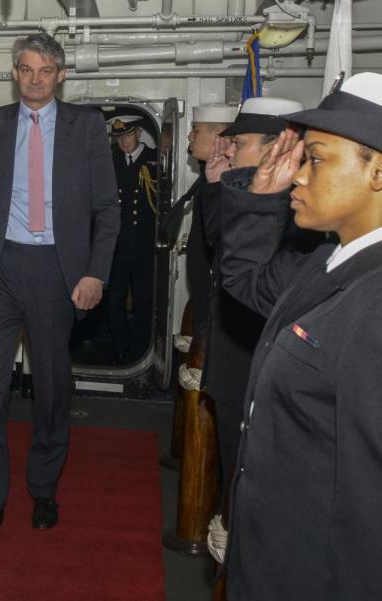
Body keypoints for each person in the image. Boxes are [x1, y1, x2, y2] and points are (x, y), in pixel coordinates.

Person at [215, 72, 382, 600]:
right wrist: (261, 197)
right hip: (272, 557)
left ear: (377, 171)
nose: (299, 177)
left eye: (317, 158)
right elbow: (244, 281)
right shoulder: (330, 261)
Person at [0, 33, 120, 545]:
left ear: (62, 75)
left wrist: (94, 273)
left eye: (45, 70)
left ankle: (44, 488)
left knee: (51, 390)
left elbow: (107, 211)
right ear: (14, 73)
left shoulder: (87, 127)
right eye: (26, 69)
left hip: (57, 272)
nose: (34, 79)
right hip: (1, 268)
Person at [198, 96, 320, 488]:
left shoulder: (299, 208)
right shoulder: (249, 194)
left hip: (253, 361)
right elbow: (221, 247)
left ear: (276, 147)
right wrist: (218, 188)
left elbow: (250, 277)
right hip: (232, 354)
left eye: (240, 142)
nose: (230, 150)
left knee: (247, 480)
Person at [161, 104, 238, 332]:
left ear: (218, 136)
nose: (189, 135)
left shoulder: (231, 184)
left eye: (196, 129)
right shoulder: (209, 177)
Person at [106, 117, 159, 363]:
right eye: (119, 137)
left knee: (143, 299)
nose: (123, 142)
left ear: (138, 133)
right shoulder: (110, 161)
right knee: (114, 298)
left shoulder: (155, 159)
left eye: (127, 135)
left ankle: (140, 350)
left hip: (143, 244)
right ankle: (119, 346)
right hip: (116, 244)